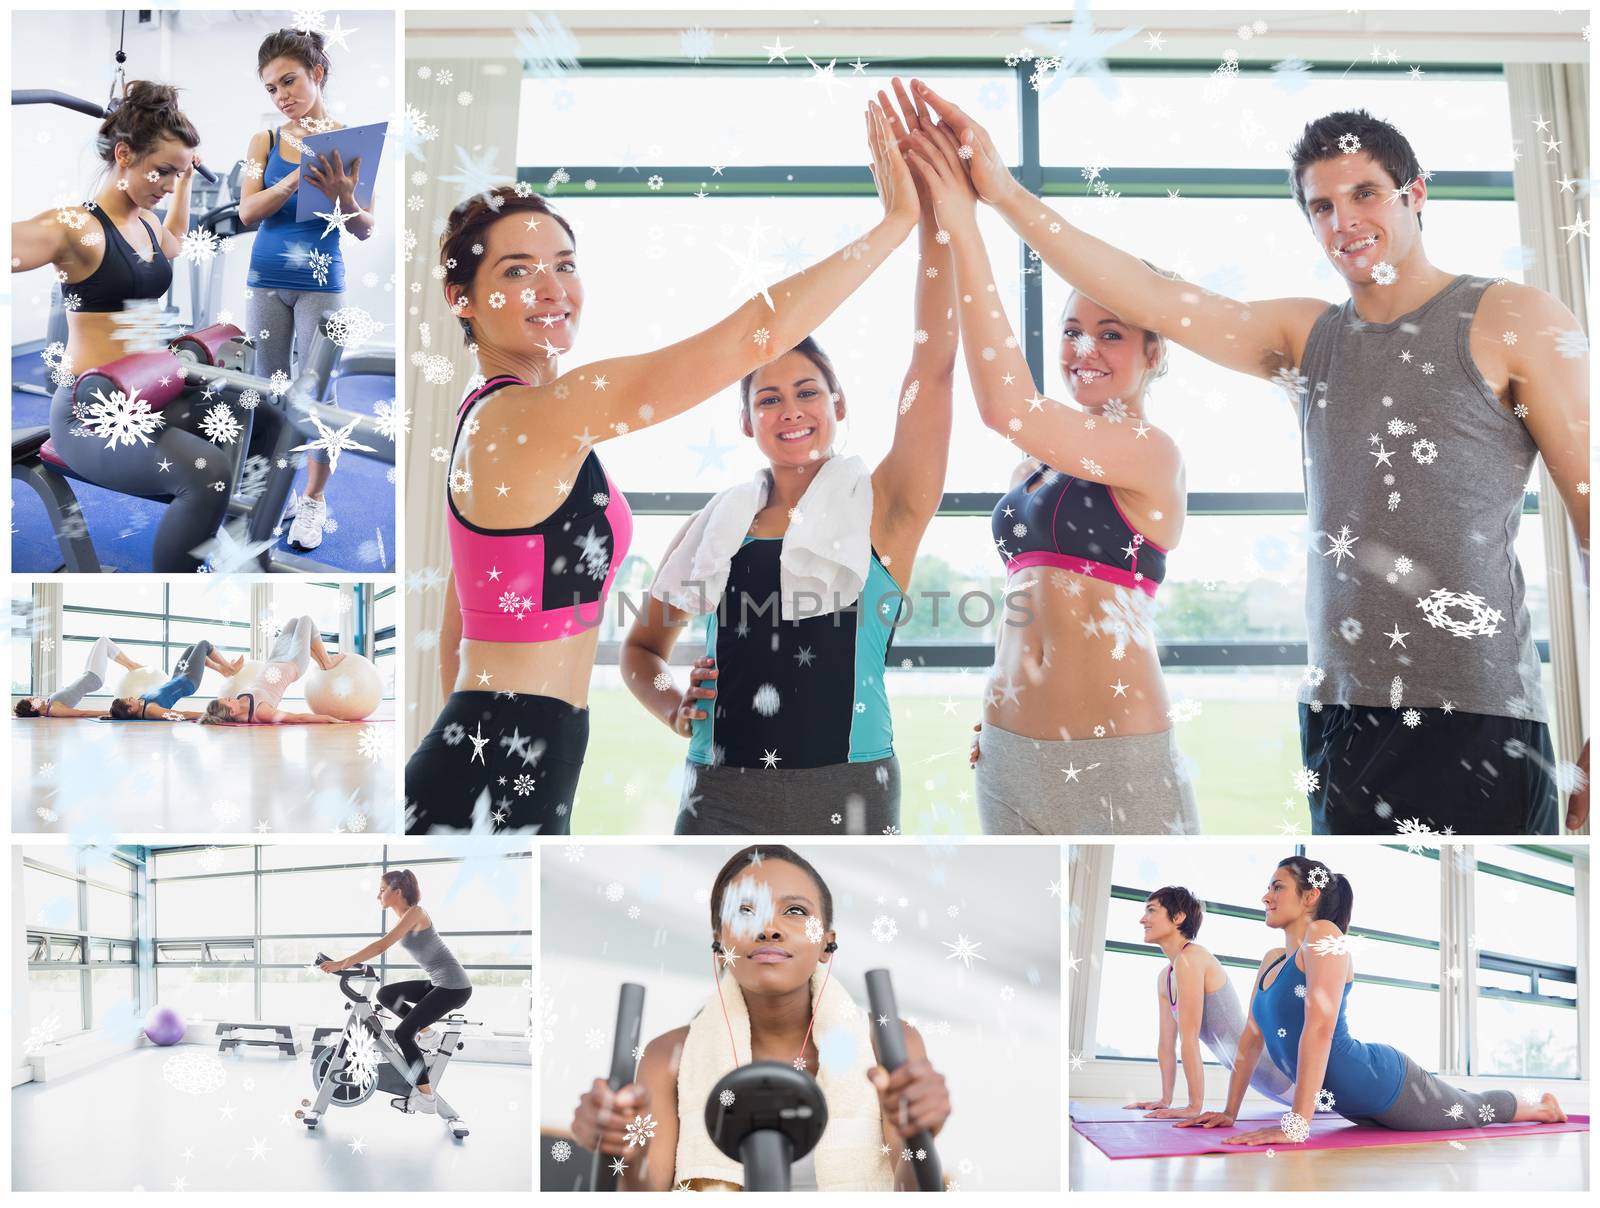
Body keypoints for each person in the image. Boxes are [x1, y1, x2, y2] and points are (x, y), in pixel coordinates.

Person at [909, 80, 1590, 836]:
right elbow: (1148, 292)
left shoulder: (1513, 317)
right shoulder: (1306, 339)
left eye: (1365, 193)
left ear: (1415, 193)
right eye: (1322, 207)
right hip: (1340, 715)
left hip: (1478, 709)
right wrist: (1003, 195)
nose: (1345, 221)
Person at [404, 100, 922, 833]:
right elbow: (750, 336)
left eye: (564, 265)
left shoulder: (497, 419)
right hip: (504, 744)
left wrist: (467, 735)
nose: (552, 288)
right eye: (519, 270)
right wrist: (893, 227)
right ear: (462, 298)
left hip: (511, 738)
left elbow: (462, 624)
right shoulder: (526, 415)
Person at [621, 82, 955, 835]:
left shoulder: (886, 509)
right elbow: (641, 648)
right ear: (746, 423)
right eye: (768, 399)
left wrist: (930, 225)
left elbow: (931, 369)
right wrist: (673, 704)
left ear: (839, 406)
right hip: (717, 785)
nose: (790, 410)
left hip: (851, 785)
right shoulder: (714, 526)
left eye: (807, 391)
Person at [909, 80, 1192, 832]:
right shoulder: (1030, 469)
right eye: (1072, 331)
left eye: (1111, 333)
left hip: (1117, 756)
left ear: (1154, 350)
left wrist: (966, 226)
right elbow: (1028, 609)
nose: (1083, 349)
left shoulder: (1152, 454)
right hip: (1006, 751)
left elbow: (1007, 406)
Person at [569, 845, 951, 1190]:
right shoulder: (668, 1057)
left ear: (826, 943)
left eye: (795, 911)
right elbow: (640, 1193)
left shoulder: (890, 1046)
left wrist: (919, 1138)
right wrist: (623, 1152)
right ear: (719, 944)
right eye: (745, 911)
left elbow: (913, 1191)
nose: (769, 929)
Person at [1175, 855, 1566, 1144]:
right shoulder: (1271, 960)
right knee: (1463, 1104)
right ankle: (1537, 1104)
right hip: (1355, 1105)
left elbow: (1319, 1028)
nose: (1265, 896)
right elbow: (1250, 1040)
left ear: (1310, 896)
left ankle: (1542, 1106)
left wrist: (1296, 1124)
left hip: (1386, 1085)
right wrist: (1229, 1112)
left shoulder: (1324, 935)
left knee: (1470, 1109)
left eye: (1277, 886)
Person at [240, 27, 376, 552]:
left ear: (317, 73)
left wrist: (346, 196)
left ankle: (314, 501)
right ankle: (269, 496)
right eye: (272, 88)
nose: (282, 96)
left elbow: (365, 229)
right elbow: (248, 210)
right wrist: (294, 179)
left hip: (322, 281)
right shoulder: (265, 141)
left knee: (318, 395)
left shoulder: (353, 143)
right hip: (266, 281)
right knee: (269, 392)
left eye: (290, 81)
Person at [1123, 886, 1291, 1119]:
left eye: (1151, 911)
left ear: (1178, 917)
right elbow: (1166, 1045)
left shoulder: (1192, 959)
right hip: (1264, 1084)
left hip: (1283, 1077)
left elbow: (1189, 1039)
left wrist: (1193, 1107)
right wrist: (1165, 1100)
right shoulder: (1166, 976)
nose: (1143, 919)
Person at [318, 868, 472, 1114]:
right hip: (439, 983)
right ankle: (429, 1034)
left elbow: (381, 946)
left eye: (381, 890)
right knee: (385, 995)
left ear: (397, 892)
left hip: (453, 986)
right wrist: (351, 964)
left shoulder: (416, 913)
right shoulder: (405, 918)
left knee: (403, 1034)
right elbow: (379, 946)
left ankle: (426, 1098)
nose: (378, 896)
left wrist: (341, 963)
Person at [200, 614, 346, 723]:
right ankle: (326, 662)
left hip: (274, 659)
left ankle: (321, 660)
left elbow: (206, 716)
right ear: (232, 712)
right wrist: (328, 718)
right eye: (228, 700)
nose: (230, 697)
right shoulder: (261, 712)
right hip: (293, 664)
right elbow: (297, 718)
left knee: (293, 622)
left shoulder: (234, 705)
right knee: (305, 620)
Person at [106, 639, 244, 720]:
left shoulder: (138, 703)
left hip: (177, 678)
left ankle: (223, 670)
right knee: (204, 645)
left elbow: (113, 712)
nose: (131, 697)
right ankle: (230, 669)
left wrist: (111, 714)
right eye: (129, 700)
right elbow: (181, 715)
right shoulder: (151, 710)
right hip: (188, 682)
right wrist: (211, 716)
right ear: (130, 710)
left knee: (191, 649)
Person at [14, 636, 146, 718]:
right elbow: (81, 713)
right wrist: (109, 712)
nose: (36, 697)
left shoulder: (49, 705)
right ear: (33, 708)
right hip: (94, 678)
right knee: (103, 641)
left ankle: (132, 665)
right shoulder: (54, 710)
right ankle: (132, 665)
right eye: (33, 699)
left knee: (99, 642)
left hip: (87, 675)